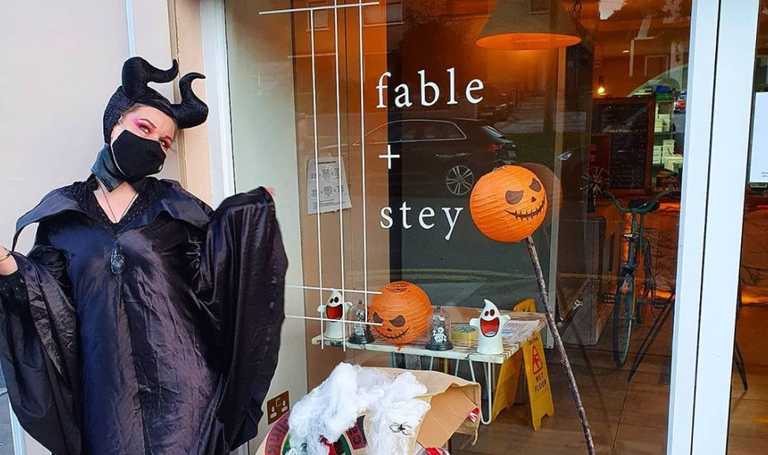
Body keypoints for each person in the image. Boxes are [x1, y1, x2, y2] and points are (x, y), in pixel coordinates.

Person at [0, 57, 288, 455]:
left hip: (185, 391)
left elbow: (217, 271)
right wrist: (7, 265)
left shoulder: (172, 205)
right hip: (107, 392)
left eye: (164, 142)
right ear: (115, 123)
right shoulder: (64, 214)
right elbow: (47, 299)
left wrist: (250, 216)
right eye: (144, 129)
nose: (154, 145)